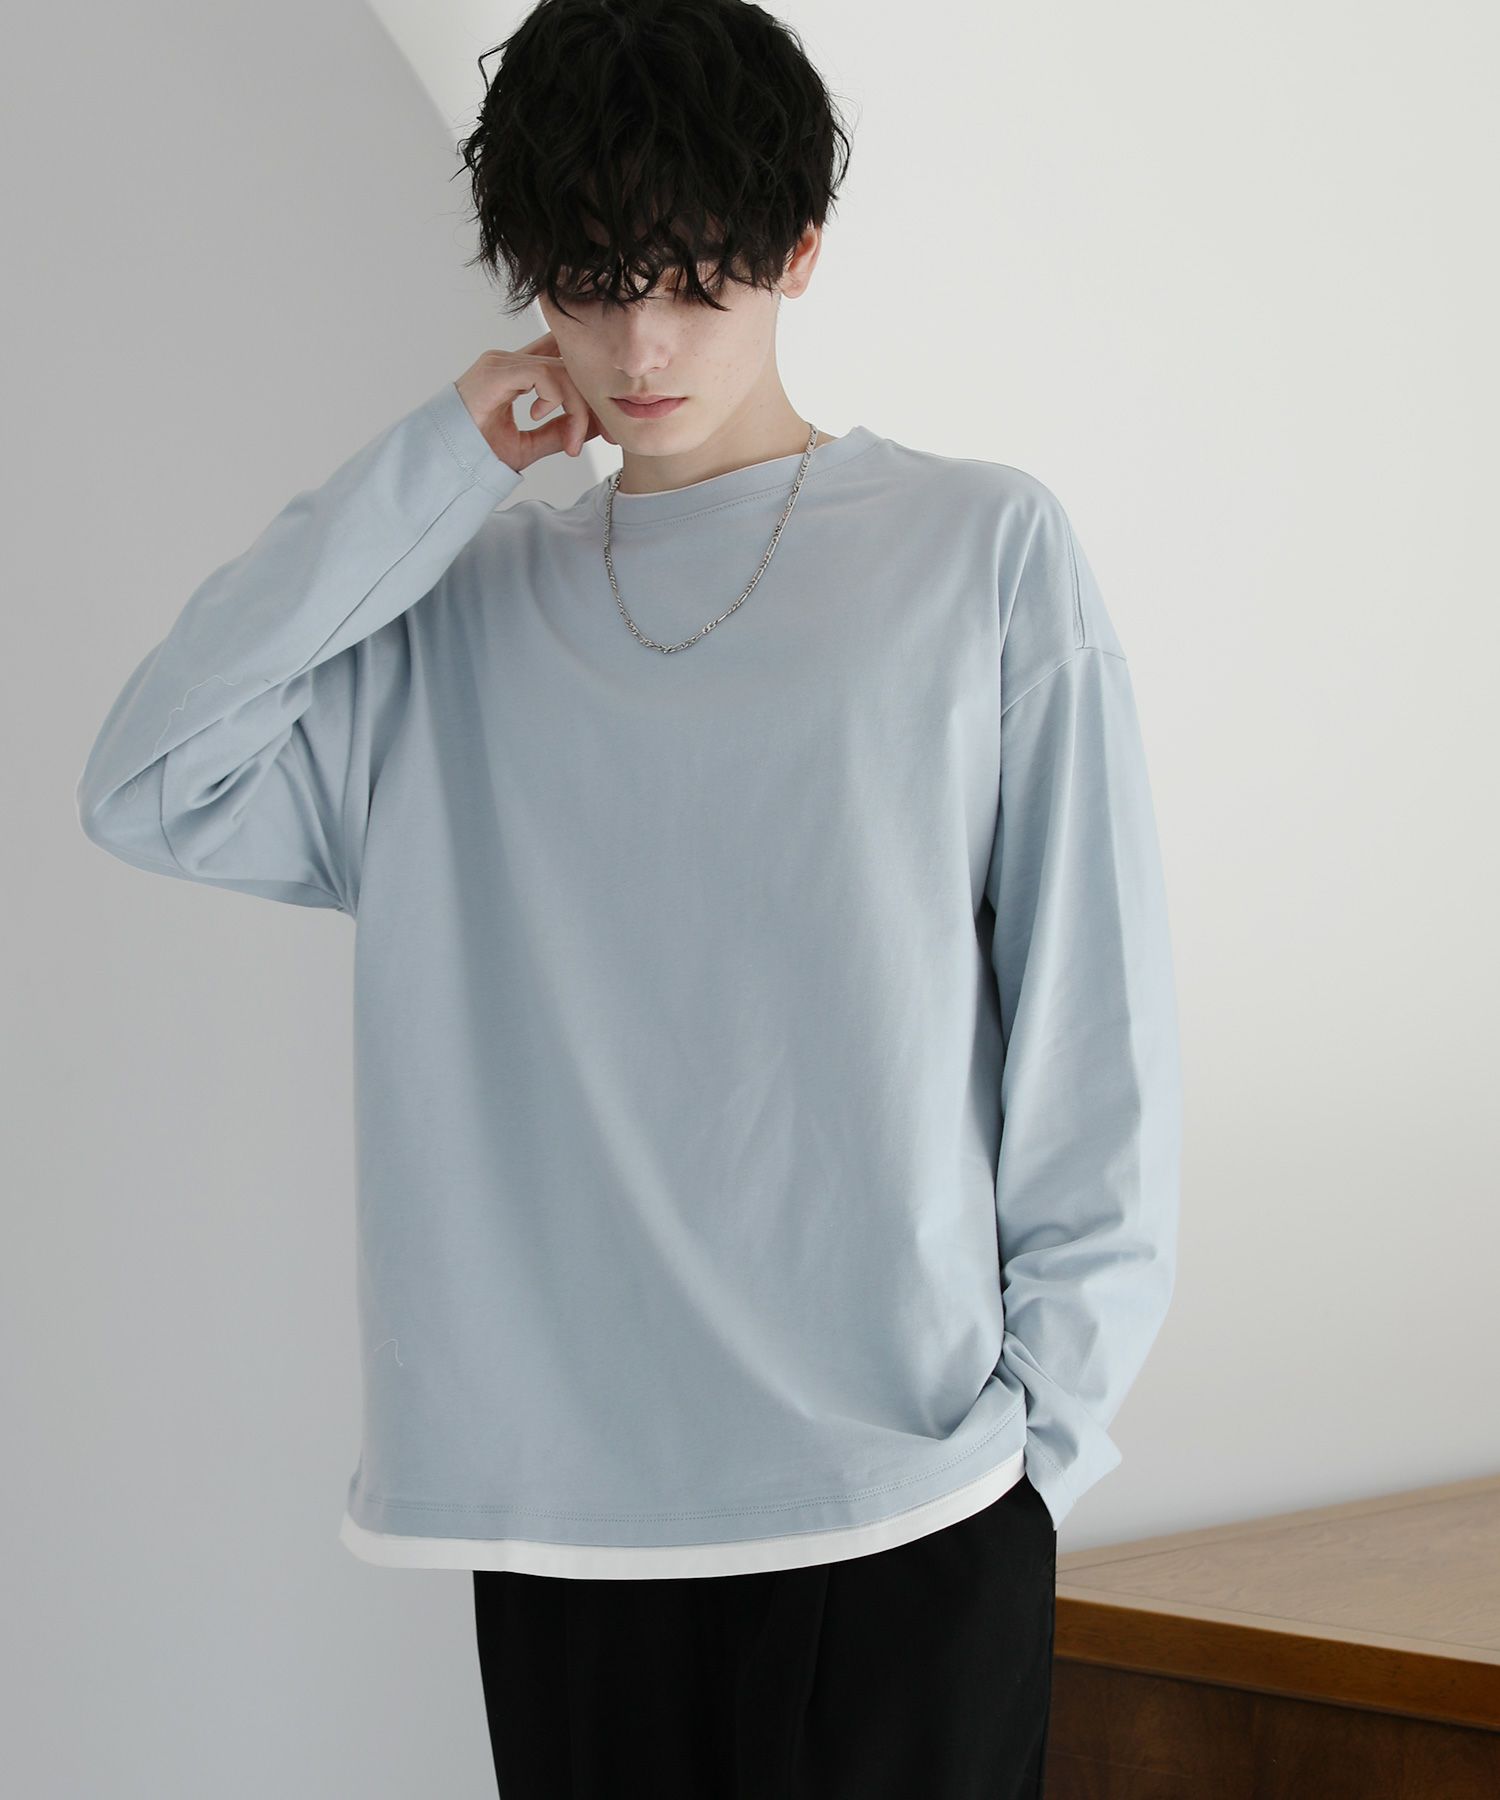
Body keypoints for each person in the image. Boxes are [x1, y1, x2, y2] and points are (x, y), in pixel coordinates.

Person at [74, 0, 1182, 1793]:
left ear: (798, 251)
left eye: (694, 281)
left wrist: (1039, 1445)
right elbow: (147, 780)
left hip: (910, 1507)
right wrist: (439, 458)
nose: (643, 343)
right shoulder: (453, 615)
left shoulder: (974, 551)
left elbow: (1093, 1025)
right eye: (592, 285)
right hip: (563, 1530)